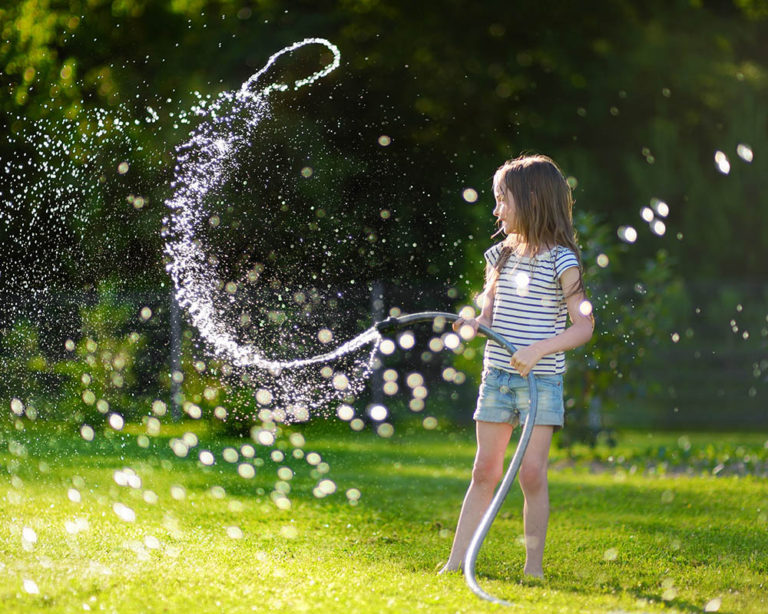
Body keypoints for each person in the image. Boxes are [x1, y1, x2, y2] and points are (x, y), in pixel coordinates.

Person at [440, 154, 594, 578]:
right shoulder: (499, 256)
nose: (496, 210)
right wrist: (472, 324)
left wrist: (539, 349)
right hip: (497, 378)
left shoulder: (563, 260)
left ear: (530, 201)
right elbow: (487, 315)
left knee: (530, 474)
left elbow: (583, 326)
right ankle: (456, 563)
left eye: (502, 200)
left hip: (541, 381)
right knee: (484, 470)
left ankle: (533, 569)